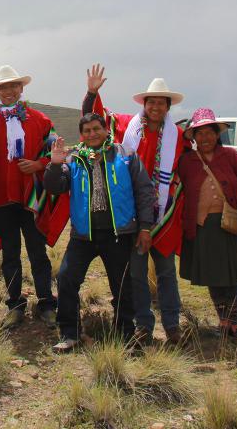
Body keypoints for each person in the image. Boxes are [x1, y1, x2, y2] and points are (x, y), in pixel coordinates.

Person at [83, 65, 186, 345]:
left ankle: (173, 325)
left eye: (160, 102)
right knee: (138, 274)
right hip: (132, 214)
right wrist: (92, 92)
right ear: (144, 104)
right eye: (151, 101)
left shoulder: (178, 138)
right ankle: (144, 325)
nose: (155, 106)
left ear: (167, 106)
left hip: (162, 214)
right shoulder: (127, 127)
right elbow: (96, 120)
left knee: (166, 272)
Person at [0, 65, 65, 328]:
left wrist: (39, 164)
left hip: (31, 199)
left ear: (21, 88)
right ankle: (15, 304)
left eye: (12, 86)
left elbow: (56, 151)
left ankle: (46, 303)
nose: (8, 91)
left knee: (37, 252)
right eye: (2, 87)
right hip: (2, 199)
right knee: (10, 254)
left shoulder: (40, 120)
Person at [44, 113, 155, 351]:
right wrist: (54, 164)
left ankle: (125, 335)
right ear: (81, 134)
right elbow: (55, 187)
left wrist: (145, 226)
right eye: (87, 131)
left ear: (106, 129)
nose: (92, 134)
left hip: (119, 233)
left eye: (96, 129)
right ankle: (70, 334)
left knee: (122, 285)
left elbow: (144, 191)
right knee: (66, 279)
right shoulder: (73, 158)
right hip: (83, 235)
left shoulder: (124, 155)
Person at [177, 108, 237, 338]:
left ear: (216, 133)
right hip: (202, 227)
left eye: (209, 132)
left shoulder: (230, 156)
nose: (205, 138)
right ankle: (223, 321)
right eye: (199, 134)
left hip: (228, 224)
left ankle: (236, 324)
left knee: (231, 277)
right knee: (215, 277)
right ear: (193, 137)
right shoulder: (187, 161)